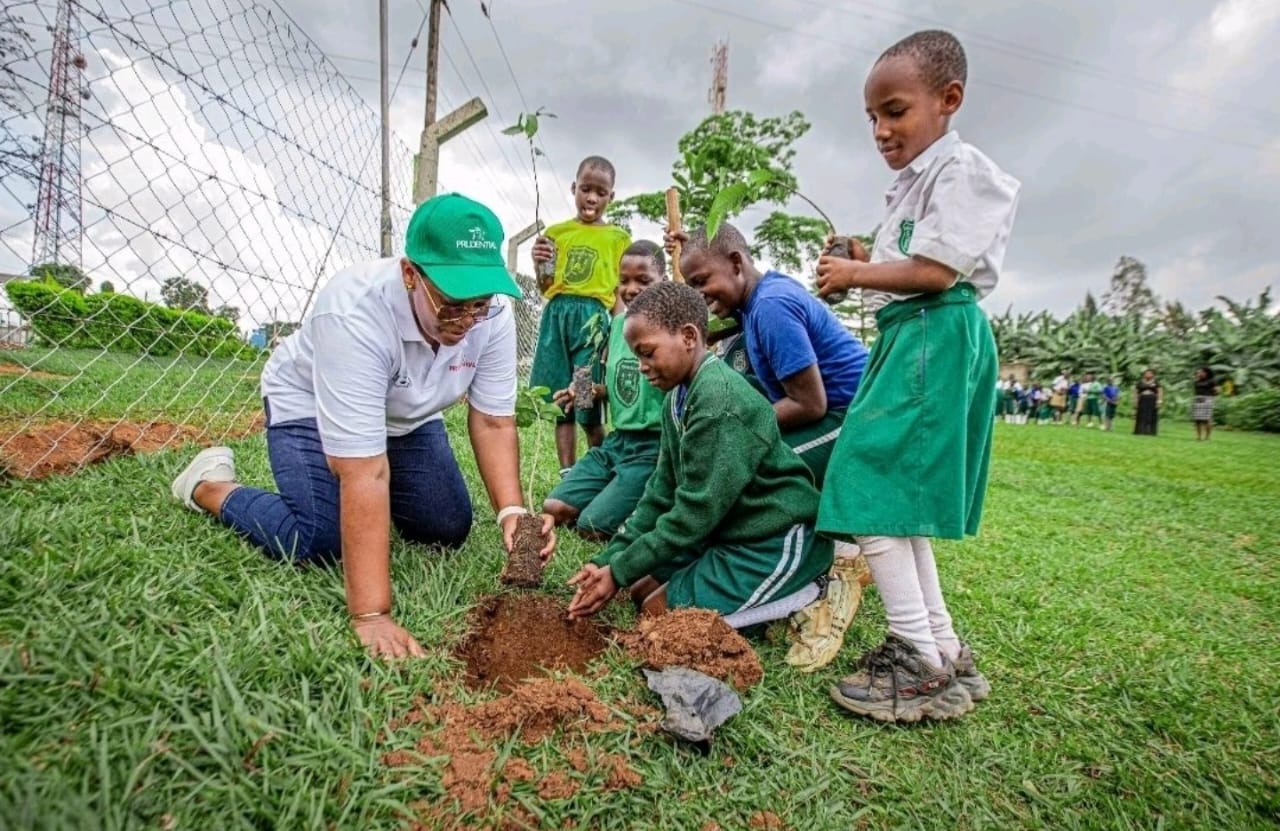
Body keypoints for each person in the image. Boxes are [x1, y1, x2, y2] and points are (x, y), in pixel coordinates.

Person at [169, 193, 555, 659]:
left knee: (446, 527)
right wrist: (371, 614)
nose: (468, 321)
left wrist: (511, 512)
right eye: (454, 304)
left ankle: (369, 507)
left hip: (404, 415)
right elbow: (364, 470)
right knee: (318, 539)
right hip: (310, 405)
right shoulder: (353, 311)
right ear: (411, 273)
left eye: (480, 303)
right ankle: (209, 485)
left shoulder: (491, 314)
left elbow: (494, 421)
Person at [814, 29, 1020, 723]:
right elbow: (908, 254)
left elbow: (934, 270)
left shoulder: (963, 170)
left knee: (863, 481)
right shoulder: (916, 183)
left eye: (894, 111)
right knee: (897, 500)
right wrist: (858, 253)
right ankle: (942, 647)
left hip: (934, 331)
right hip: (913, 337)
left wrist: (854, 272)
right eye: (872, 117)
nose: (880, 129)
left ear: (948, 99)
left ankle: (916, 656)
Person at [565, 282, 834, 628]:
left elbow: (695, 512)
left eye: (647, 353)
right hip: (725, 531)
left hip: (772, 540)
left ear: (689, 337)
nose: (642, 366)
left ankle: (803, 595)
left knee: (657, 614)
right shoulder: (677, 397)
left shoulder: (718, 401)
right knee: (639, 590)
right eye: (636, 356)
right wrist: (610, 560)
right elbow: (660, 493)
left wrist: (617, 572)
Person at [669, 222, 872, 671]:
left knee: (754, 474)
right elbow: (707, 328)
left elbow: (810, 403)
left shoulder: (773, 307)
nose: (700, 295)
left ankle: (825, 579)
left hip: (856, 421)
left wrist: (739, 429)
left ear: (738, 263)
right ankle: (835, 552)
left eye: (703, 282)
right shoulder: (755, 302)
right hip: (834, 414)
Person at [543, 241, 668, 539]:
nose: (631, 289)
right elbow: (615, 385)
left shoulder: (671, 331)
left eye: (643, 281)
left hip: (653, 447)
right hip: (617, 443)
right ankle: (612, 493)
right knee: (554, 508)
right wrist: (581, 391)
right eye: (624, 281)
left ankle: (646, 510)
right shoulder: (616, 326)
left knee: (592, 526)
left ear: (664, 281)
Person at [530, 156, 632, 475]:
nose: (591, 198)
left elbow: (618, 293)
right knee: (563, 399)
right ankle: (567, 473)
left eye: (600, 192)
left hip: (592, 325)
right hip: (556, 319)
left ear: (610, 197)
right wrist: (538, 263)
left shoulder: (618, 239)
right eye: (586, 189)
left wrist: (617, 332)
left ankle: (600, 468)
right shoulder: (556, 233)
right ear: (574, 188)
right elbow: (546, 286)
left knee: (586, 398)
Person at [1133, 368, 1163, 436]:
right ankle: (1140, 431)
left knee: (1150, 415)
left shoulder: (1156, 382)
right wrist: (1135, 401)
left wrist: (1159, 401)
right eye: (1146, 373)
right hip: (1142, 400)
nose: (1147, 374)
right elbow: (1136, 392)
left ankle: (1150, 431)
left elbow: (1160, 391)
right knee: (1141, 415)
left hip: (1152, 400)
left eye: (1149, 373)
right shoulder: (1140, 382)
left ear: (1153, 374)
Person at [1192, 366, 1218, 441]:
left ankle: (1207, 437)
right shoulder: (1197, 381)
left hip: (1207, 400)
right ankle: (1199, 437)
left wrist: (1210, 398)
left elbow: (1217, 391)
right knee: (1197, 419)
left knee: (1207, 419)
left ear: (1205, 373)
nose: (1198, 373)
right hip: (1197, 400)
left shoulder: (1211, 381)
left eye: (1200, 372)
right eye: (1198, 372)